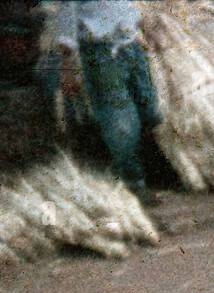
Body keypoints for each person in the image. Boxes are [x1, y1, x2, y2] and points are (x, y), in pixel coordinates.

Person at [53, 1, 162, 205]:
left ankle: (128, 166)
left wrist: (145, 27)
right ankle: (132, 183)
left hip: (131, 45)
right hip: (101, 52)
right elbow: (67, 16)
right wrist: (67, 66)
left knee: (151, 111)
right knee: (121, 120)